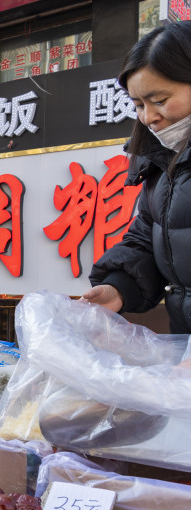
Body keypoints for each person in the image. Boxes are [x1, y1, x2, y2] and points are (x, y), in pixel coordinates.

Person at [84, 22, 191, 333]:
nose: (149, 117)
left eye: (159, 100)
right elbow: (149, 236)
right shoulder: (162, 161)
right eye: (139, 105)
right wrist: (117, 287)